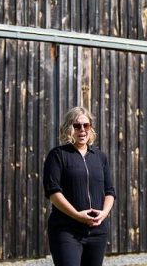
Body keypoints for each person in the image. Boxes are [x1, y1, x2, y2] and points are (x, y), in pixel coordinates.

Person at [43, 106, 116, 266]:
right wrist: (77, 215)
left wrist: (103, 214)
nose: (82, 130)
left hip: (97, 231)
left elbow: (110, 192)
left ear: (91, 128)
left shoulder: (100, 157)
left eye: (86, 125)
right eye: (77, 126)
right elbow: (53, 192)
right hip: (66, 230)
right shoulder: (57, 155)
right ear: (69, 128)